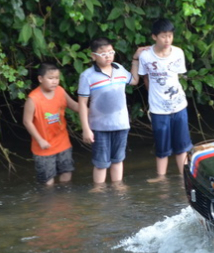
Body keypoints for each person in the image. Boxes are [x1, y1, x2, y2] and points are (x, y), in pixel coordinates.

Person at [78, 37, 144, 184]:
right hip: (99, 127)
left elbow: (133, 80)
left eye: (110, 52)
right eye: (103, 53)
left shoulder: (119, 68)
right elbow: (82, 103)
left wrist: (135, 59)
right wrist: (86, 129)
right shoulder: (87, 76)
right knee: (101, 164)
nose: (108, 56)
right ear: (93, 56)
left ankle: (118, 191)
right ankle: (99, 193)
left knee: (118, 160)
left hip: (121, 124)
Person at [137, 18, 192, 180]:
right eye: (163, 36)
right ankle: (161, 178)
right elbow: (145, 78)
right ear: (154, 37)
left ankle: (184, 177)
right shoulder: (146, 56)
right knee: (162, 145)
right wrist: (154, 96)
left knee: (182, 146)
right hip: (158, 108)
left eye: (170, 35)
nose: (167, 39)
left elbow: (177, 76)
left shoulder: (178, 52)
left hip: (179, 105)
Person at [22, 63, 80, 185]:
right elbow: (27, 122)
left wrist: (94, 110)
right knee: (47, 181)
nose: (54, 81)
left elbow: (75, 106)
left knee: (67, 172)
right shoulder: (33, 99)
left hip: (62, 142)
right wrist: (40, 140)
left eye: (57, 78)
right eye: (50, 78)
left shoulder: (60, 91)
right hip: (43, 147)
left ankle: (65, 201)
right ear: (40, 79)